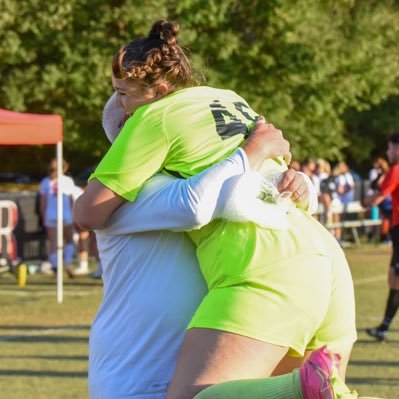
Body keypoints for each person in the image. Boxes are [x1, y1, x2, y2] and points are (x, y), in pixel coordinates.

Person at [74, 19, 358, 399]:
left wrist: (249, 155)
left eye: (122, 94)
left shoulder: (150, 119)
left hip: (266, 266)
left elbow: (90, 212)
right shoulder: (227, 98)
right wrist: (296, 178)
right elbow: (276, 165)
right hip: (324, 257)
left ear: (157, 92)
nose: (120, 106)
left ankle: (299, 389)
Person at [89, 99, 317, 398]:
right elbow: (200, 203)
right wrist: (253, 151)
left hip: (186, 358)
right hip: (139, 370)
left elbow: (240, 192)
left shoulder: (188, 175)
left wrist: (300, 185)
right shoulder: (130, 193)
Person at [364, 133, 399, 341]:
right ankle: (384, 327)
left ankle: (384, 327)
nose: (387, 152)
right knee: (394, 279)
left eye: (389, 148)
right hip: (396, 229)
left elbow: (378, 197)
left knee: (396, 279)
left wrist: (366, 201)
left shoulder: (395, 170)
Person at [39, 158, 75, 277]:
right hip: (65, 214)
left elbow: (42, 203)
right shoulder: (67, 181)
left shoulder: (45, 182)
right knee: (68, 240)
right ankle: (67, 264)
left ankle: (57, 268)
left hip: (52, 214)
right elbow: (71, 200)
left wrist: (43, 217)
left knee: (54, 242)